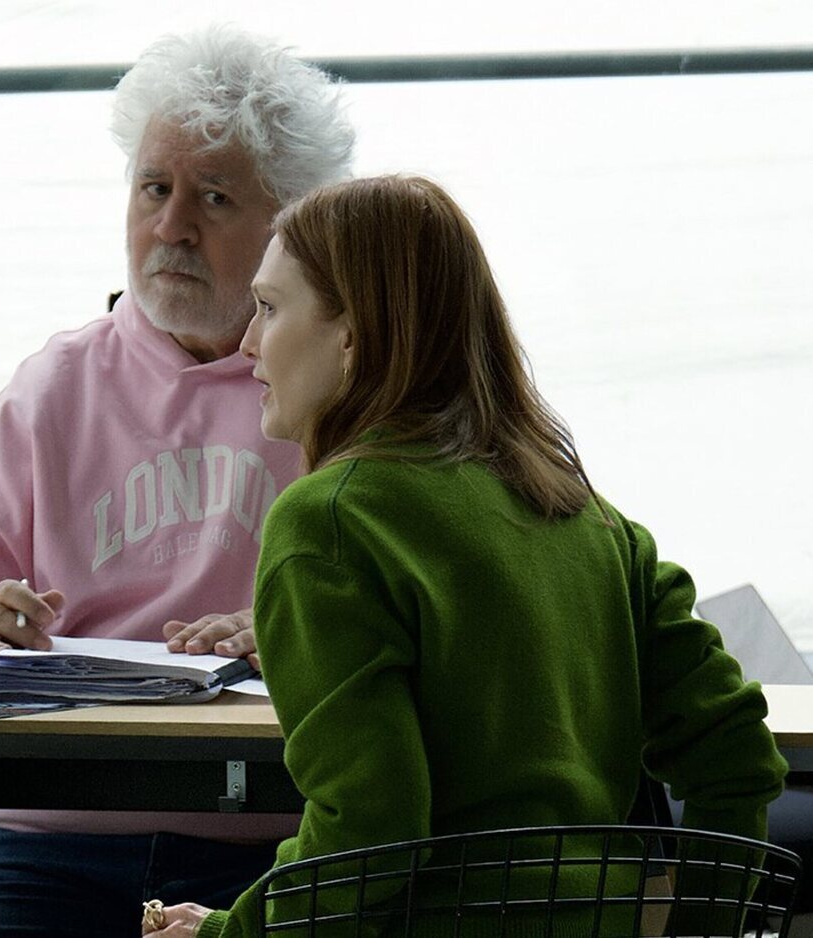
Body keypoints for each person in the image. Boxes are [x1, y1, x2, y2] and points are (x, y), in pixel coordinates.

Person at [143, 175, 789, 937]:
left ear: (352, 335)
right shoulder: (591, 521)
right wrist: (698, 929)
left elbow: (370, 829)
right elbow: (737, 753)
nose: (249, 340)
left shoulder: (329, 526)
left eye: (273, 307)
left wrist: (228, 932)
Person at [0, 26, 355, 938]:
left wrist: (307, 633)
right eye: (153, 189)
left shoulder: (343, 394)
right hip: (45, 844)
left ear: (290, 224)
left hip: (278, 839)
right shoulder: (50, 391)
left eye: (213, 198)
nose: (170, 227)